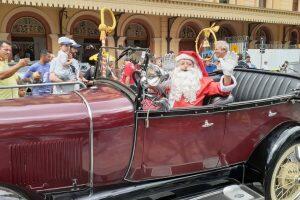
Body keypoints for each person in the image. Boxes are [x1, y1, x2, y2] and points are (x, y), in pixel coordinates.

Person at [169, 42, 237, 108]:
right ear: (177, 66)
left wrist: (227, 74)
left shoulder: (203, 82)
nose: (185, 66)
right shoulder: (172, 81)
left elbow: (224, 90)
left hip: (190, 116)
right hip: (168, 114)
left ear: (194, 68)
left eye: (189, 64)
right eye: (182, 63)